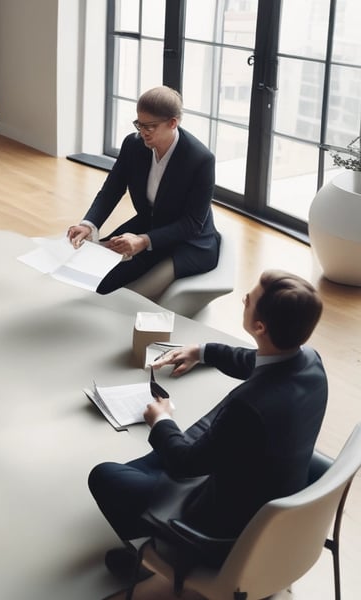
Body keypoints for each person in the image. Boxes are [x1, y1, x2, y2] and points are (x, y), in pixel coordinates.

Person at [88, 269, 327, 579]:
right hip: (273, 489)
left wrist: (160, 420)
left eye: (249, 299)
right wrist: (201, 352)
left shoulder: (249, 408)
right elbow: (254, 360)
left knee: (105, 476)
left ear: (259, 326)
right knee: (158, 454)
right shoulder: (310, 361)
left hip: (223, 524)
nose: (244, 298)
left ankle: (154, 554)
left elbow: (185, 464)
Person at [67, 86, 220, 297]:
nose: (142, 132)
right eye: (139, 124)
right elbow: (112, 189)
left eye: (151, 126)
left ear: (173, 123)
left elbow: (192, 224)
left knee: (107, 284)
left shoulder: (200, 159)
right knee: (91, 264)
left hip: (187, 240)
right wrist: (88, 224)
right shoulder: (133, 145)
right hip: (148, 223)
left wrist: (144, 241)